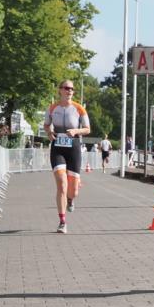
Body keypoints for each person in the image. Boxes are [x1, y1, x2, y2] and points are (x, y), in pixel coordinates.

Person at [43, 80, 90, 234]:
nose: (70, 91)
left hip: (73, 148)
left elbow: (88, 129)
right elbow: (46, 125)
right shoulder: (52, 108)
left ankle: (70, 199)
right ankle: (62, 222)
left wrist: (76, 131)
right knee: (62, 184)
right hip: (58, 148)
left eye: (72, 89)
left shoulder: (79, 108)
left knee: (73, 191)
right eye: (67, 88)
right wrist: (49, 132)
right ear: (60, 90)